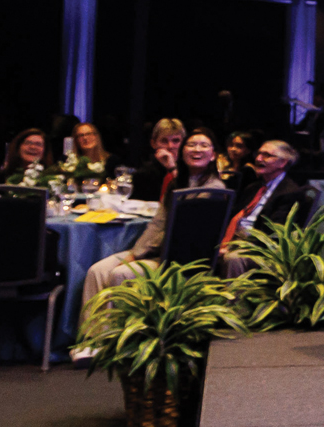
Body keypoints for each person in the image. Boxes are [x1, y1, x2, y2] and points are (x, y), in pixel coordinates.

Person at [83, 129, 229, 304]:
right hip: (154, 252)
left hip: (178, 259)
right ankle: (93, 331)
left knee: (121, 273)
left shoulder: (214, 190)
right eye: (191, 144)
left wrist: (139, 255)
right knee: (96, 271)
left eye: (203, 145)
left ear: (213, 155)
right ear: (182, 152)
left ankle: (118, 330)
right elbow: (157, 224)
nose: (197, 149)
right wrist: (136, 254)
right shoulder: (177, 184)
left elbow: (183, 232)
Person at [215, 139, 313, 278]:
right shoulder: (253, 188)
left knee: (234, 258)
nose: (258, 159)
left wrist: (237, 246)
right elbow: (234, 215)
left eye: (267, 155)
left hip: (261, 246)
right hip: (236, 238)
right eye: (259, 154)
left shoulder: (289, 192)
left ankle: (233, 299)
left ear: (283, 162)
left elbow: (274, 232)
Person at [129, 118, 187, 200]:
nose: (170, 146)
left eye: (176, 141)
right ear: (153, 144)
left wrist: (172, 168)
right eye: (164, 141)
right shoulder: (144, 173)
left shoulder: (191, 170)